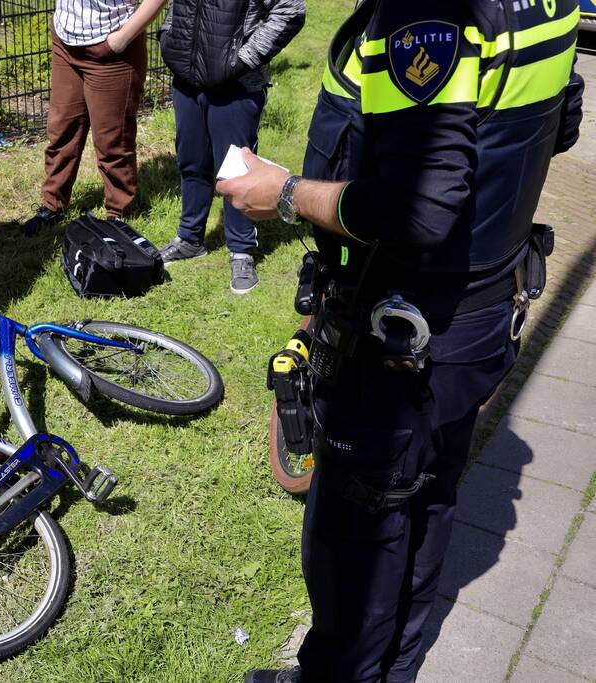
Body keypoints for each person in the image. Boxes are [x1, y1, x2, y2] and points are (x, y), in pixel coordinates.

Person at [218, 0, 584, 680]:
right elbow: (560, 120)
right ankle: (394, 668)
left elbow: (417, 207)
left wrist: (287, 193)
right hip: (475, 313)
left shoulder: (426, 9)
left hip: (398, 333)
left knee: (355, 539)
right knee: (429, 495)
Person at [156, 0, 305, 294]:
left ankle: (241, 251)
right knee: (191, 161)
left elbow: (290, 10)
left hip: (237, 87)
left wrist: (243, 59)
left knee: (235, 170)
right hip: (187, 79)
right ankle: (189, 239)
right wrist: (169, 37)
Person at [20, 0, 167, 235]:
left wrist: (122, 38)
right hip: (66, 39)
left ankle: (118, 214)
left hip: (112, 47)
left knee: (112, 141)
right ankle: (52, 204)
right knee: (61, 132)